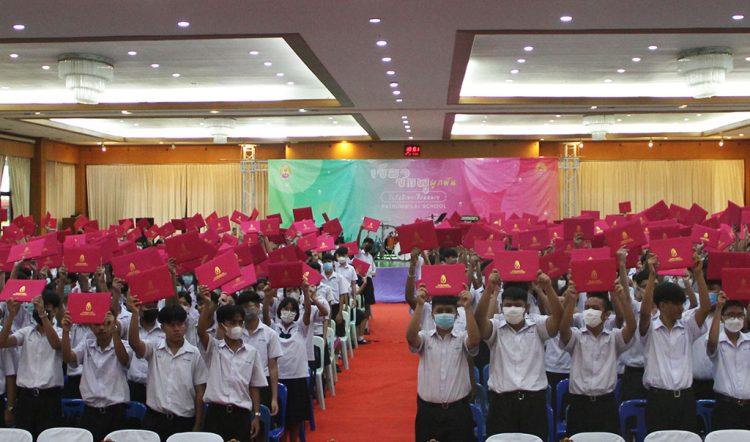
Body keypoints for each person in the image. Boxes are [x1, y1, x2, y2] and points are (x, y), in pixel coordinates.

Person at [474, 270, 563, 440]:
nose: (512, 309)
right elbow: (479, 320)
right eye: (508, 305)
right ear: (501, 307)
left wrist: (548, 288)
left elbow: (558, 318)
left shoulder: (537, 325)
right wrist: (489, 289)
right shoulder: (495, 327)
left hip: (533, 402)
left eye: (517, 305)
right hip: (501, 403)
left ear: (526, 307)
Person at [639, 251, 711, 433]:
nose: (681, 308)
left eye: (681, 303)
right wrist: (652, 275)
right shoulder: (650, 329)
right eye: (676, 304)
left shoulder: (687, 327)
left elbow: (705, 308)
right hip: (658, 399)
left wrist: (698, 275)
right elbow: (645, 312)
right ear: (663, 305)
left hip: (685, 399)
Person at [559, 284, 636, 435]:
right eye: (587, 308)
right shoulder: (576, 336)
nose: (590, 312)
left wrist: (623, 299)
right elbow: (563, 330)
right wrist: (571, 301)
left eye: (595, 308)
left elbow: (632, 328)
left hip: (606, 404)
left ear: (606, 314)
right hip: (579, 403)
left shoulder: (614, 337)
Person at [127, 298, 208, 441]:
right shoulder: (154, 347)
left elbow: (200, 392)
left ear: (185, 326)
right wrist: (134, 314)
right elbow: (135, 344)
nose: (177, 329)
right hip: (155, 418)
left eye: (180, 324)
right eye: (171, 325)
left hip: (184, 421)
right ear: (163, 327)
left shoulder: (194, 353)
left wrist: (197, 424)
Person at [407, 285, 479, 442]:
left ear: (456, 315)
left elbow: (474, 341)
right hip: (428, 412)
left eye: (449, 310)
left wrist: (468, 308)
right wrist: (420, 305)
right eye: (439, 311)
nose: (444, 314)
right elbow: (411, 338)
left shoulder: (462, 338)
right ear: (432, 315)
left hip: (458, 411)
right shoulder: (425, 338)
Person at [197, 286, 266, 442]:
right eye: (232, 322)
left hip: (241, 415)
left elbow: (254, 386)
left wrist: (256, 415)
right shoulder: (214, 348)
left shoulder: (251, 352)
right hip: (216, 413)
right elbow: (201, 331)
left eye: (240, 322)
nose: (237, 326)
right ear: (222, 325)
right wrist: (207, 305)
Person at [61, 310, 132, 441]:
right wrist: (66, 332)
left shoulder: (124, 345)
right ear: (90, 326)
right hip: (90, 411)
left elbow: (124, 359)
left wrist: (115, 332)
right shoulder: (87, 344)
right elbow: (68, 358)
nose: (101, 328)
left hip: (116, 411)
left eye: (106, 324)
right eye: (97, 324)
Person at [0, 291, 63, 439]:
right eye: (37, 306)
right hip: (26, 397)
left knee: (48, 438)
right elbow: (3, 342)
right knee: (24, 437)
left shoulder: (61, 332)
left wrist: (43, 315)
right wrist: (11, 315)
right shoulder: (26, 332)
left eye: (45, 307)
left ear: (55, 310)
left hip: (49, 397)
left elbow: (55, 344)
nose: (39, 310)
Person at [263, 282, 311, 442]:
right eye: (285, 309)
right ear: (279, 311)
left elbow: (307, 312)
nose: (288, 312)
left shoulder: (301, 328)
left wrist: (306, 292)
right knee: (279, 416)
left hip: (297, 376)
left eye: (292, 310)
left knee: (296, 416)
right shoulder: (273, 328)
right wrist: (267, 297)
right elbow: (265, 317)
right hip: (279, 377)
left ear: (296, 313)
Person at [707, 293, 750, 430]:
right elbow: (711, 343)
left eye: (739, 315)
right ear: (723, 318)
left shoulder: (748, 341)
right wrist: (719, 308)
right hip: (725, 407)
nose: (735, 319)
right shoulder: (718, 341)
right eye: (731, 315)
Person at [236, 291, 282, 417]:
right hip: (241, 381)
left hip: (263, 382)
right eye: (243, 307)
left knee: (262, 420)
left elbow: (273, 367)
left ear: (257, 307)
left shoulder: (270, 334)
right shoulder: (236, 334)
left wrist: (274, 397)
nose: (246, 310)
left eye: (249, 306)